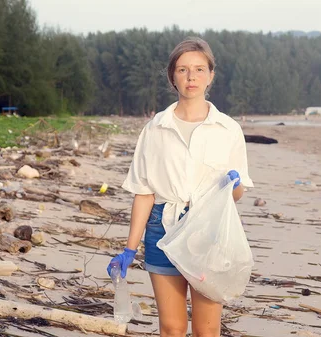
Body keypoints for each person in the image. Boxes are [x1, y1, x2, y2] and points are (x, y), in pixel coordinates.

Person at [106, 37, 253, 337]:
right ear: (172, 75)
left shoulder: (228, 130)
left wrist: (234, 184)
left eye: (199, 69)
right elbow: (144, 192)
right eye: (183, 70)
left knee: (206, 330)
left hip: (209, 232)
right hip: (163, 230)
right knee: (171, 328)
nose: (192, 77)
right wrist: (129, 249)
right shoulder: (155, 128)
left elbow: (237, 195)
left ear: (211, 75)